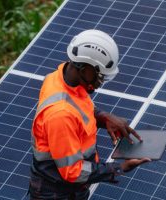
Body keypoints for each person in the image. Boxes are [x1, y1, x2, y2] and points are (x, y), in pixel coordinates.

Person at [29, 29, 151, 199]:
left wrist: (103, 117)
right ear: (84, 68)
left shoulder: (58, 78)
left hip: (68, 189)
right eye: (99, 76)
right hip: (58, 193)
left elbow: (78, 107)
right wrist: (118, 168)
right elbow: (73, 171)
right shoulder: (60, 115)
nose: (100, 83)